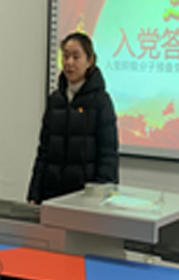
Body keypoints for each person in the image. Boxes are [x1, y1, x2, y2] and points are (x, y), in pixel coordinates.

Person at [28, 33, 119, 204]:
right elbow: (44, 151)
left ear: (89, 61)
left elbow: (108, 155)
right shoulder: (55, 100)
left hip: (84, 198)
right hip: (52, 194)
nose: (69, 62)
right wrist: (34, 194)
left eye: (76, 57)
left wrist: (103, 196)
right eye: (66, 56)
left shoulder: (101, 101)